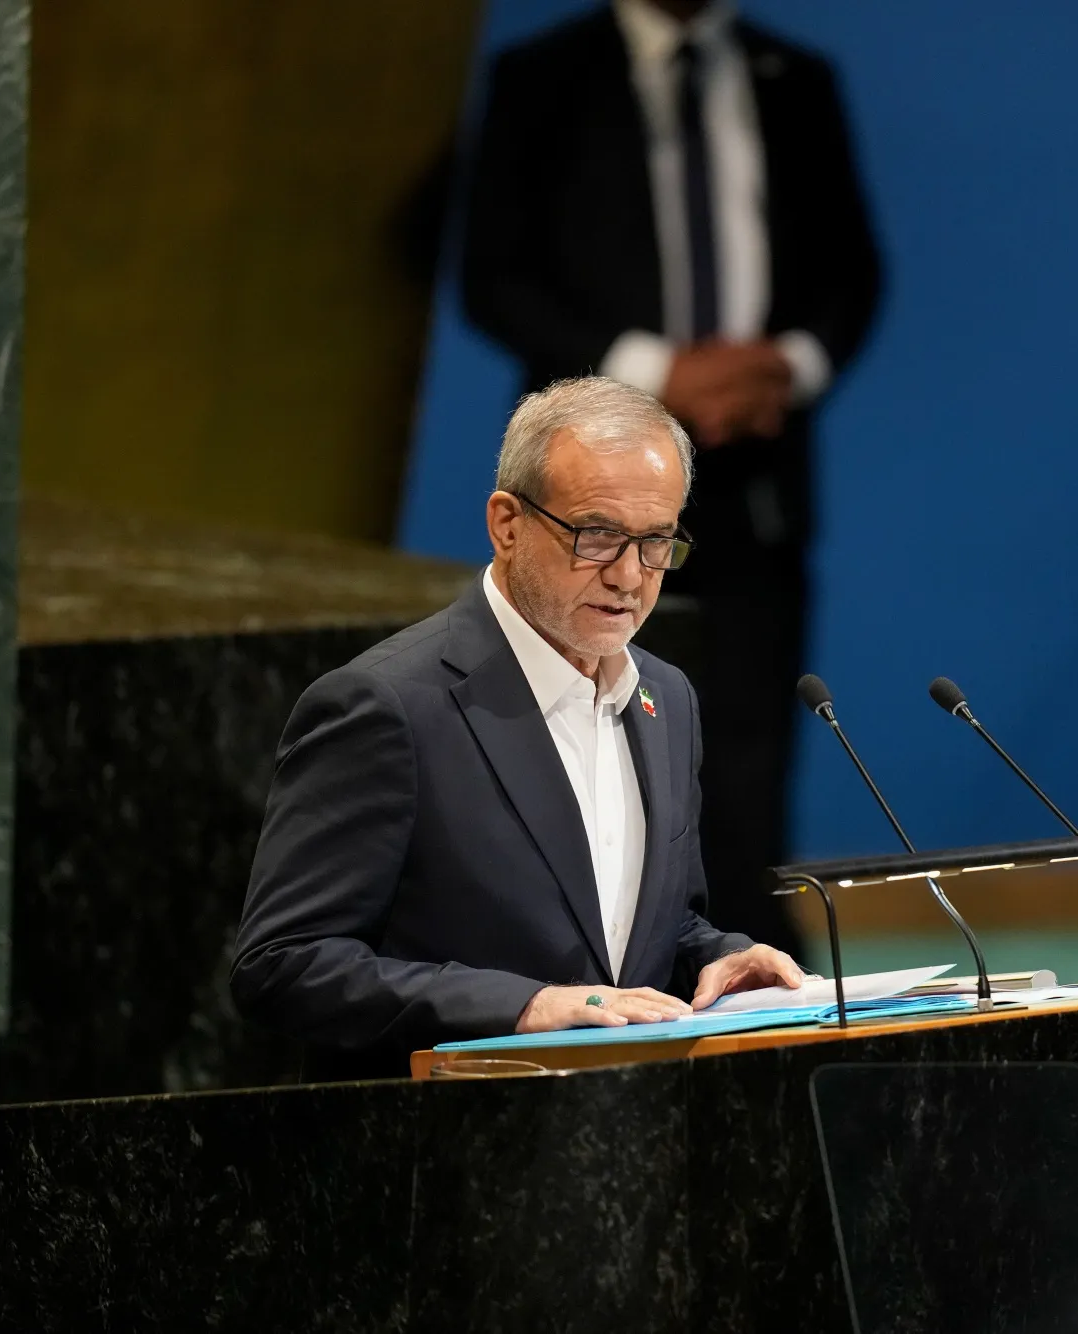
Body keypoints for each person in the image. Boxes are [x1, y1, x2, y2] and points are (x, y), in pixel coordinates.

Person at [455, 0, 882, 961]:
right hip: (585, 485)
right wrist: (658, 378)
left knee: (743, 769)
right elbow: (495, 277)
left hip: (755, 481)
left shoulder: (791, 77)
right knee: (570, 748)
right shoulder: (544, 74)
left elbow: (852, 273)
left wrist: (787, 368)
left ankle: (745, 983)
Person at [232, 378, 805, 1077]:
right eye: (598, 536)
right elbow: (285, 964)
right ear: (507, 524)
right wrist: (525, 1007)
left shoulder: (666, 698)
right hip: (447, 1153)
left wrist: (720, 958)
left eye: (656, 541)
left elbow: (645, 927)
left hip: (625, 1145)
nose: (630, 576)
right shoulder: (386, 707)